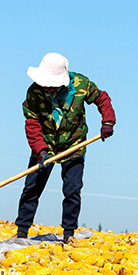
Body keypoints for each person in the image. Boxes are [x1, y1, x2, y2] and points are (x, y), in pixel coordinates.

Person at [16, 52, 115, 244]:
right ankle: (21, 231)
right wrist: (40, 150)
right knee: (32, 188)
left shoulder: (80, 85)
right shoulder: (34, 93)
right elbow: (32, 123)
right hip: (45, 146)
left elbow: (102, 98)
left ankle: (69, 233)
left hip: (74, 144)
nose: (47, 88)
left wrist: (108, 122)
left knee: (72, 189)